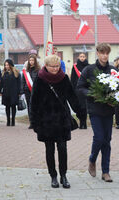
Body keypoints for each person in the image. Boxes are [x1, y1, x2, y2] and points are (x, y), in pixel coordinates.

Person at [30, 54, 84, 189]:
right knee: (49, 149)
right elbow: (34, 101)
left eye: (57, 66)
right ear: (46, 66)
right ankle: (53, 176)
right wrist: (34, 121)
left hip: (61, 118)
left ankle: (63, 175)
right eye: (52, 67)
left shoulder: (64, 78)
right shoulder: (40, 79)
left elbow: (72, 96)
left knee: (62, 148)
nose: (55, 69)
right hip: (45, 119)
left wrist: (80, 111)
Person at [77, 43, 115, 182]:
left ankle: (106, 172)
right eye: (102, 53)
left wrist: (116, 99)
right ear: (97, 54)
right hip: (95, 110)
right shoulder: (89, 70)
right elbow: (80, 87)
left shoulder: (112, 70)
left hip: (109, 110)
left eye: (107, 53)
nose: (105, 55)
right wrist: (93, 93)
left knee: (107, 141)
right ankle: (92, 159)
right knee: (99, 137)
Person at [0, 59, 21, 126]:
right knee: (7, 106)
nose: (6, 66)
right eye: (5, 65)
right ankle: (8, 120)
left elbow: (19, 83)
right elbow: (1, 83)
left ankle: (13, 120)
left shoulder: (16, 72)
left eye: (7, 65)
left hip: (14, 92)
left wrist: (19, 92)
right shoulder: (4, 73)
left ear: (11, 65)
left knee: (13, 106)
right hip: (6, 92)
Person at [21, 54, 41, 129]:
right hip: (27, 90)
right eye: (30, 60)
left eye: (33, 60)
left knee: (36, 106)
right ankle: (32, 122)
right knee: (29, 107)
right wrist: (22, 91)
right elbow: (23, 81)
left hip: (36, 90)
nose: (31, 62)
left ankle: (37, 122)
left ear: (35, 61)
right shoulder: (26, 71)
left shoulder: (38, 70)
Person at [70, 52, 89, 129]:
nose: (82, 58)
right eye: (81, 56)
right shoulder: (75, 67)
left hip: (85, 89)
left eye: (83, 56)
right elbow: (73, 79)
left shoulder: (88, 66)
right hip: (77, 90)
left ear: (85, 57)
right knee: (79, 107)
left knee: (84, 107)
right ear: (78, 57)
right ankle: (81, 121)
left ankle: (84, 123)